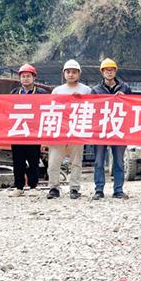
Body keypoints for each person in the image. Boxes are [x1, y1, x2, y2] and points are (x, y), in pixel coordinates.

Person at [46, 59, 92, 200]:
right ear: (64, 73)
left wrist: (82, 99)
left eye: (74, 72)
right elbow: (51, 110)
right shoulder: (57, 90)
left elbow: (93, 108)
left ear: (79, 74)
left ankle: (74, 188)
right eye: (68, 72)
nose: (71, 74)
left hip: (77, 130)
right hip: (59, 131)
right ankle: (53, 188)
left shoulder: (86, 90)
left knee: (76, 162)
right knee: (53, 162)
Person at [91, 58, 132, 200]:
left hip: (118, 129)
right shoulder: (95, 90)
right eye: (106, 70)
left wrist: (125, 98)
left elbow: (132, 107)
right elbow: (91, 109)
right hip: (100, 130)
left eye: (112, 70)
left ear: (115, 71)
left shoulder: (125, 88)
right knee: (99, 161)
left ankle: (118, 190)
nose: (109, 72)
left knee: (119, 161)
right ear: (102, 72)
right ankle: (99, 190)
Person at [8, 64, 47, 197]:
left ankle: (33, 186)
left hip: (33, 133)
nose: (25, 79)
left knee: (33, 161)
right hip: (18, 132)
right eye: (23, 76)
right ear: (20, 78)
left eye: (28, 76)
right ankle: (19, 187)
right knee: (18, 162)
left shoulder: (41, 93)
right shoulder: (14, 93)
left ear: (34, 77)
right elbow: (6, 108)